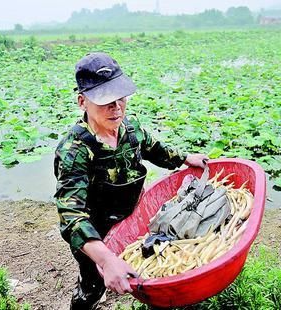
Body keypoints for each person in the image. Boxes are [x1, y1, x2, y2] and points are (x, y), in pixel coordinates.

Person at [54, 52, 208, 310]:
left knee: (148, 264)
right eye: (105, 100)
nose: (116, 107)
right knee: (94, 284)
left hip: (133, 219)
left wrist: (185, 158)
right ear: (83, 102)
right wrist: (104, 259)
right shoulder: (75, 151)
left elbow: (154, 148)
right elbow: (71, 214)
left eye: (120, 97)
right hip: (97, 231)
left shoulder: (131, 128)